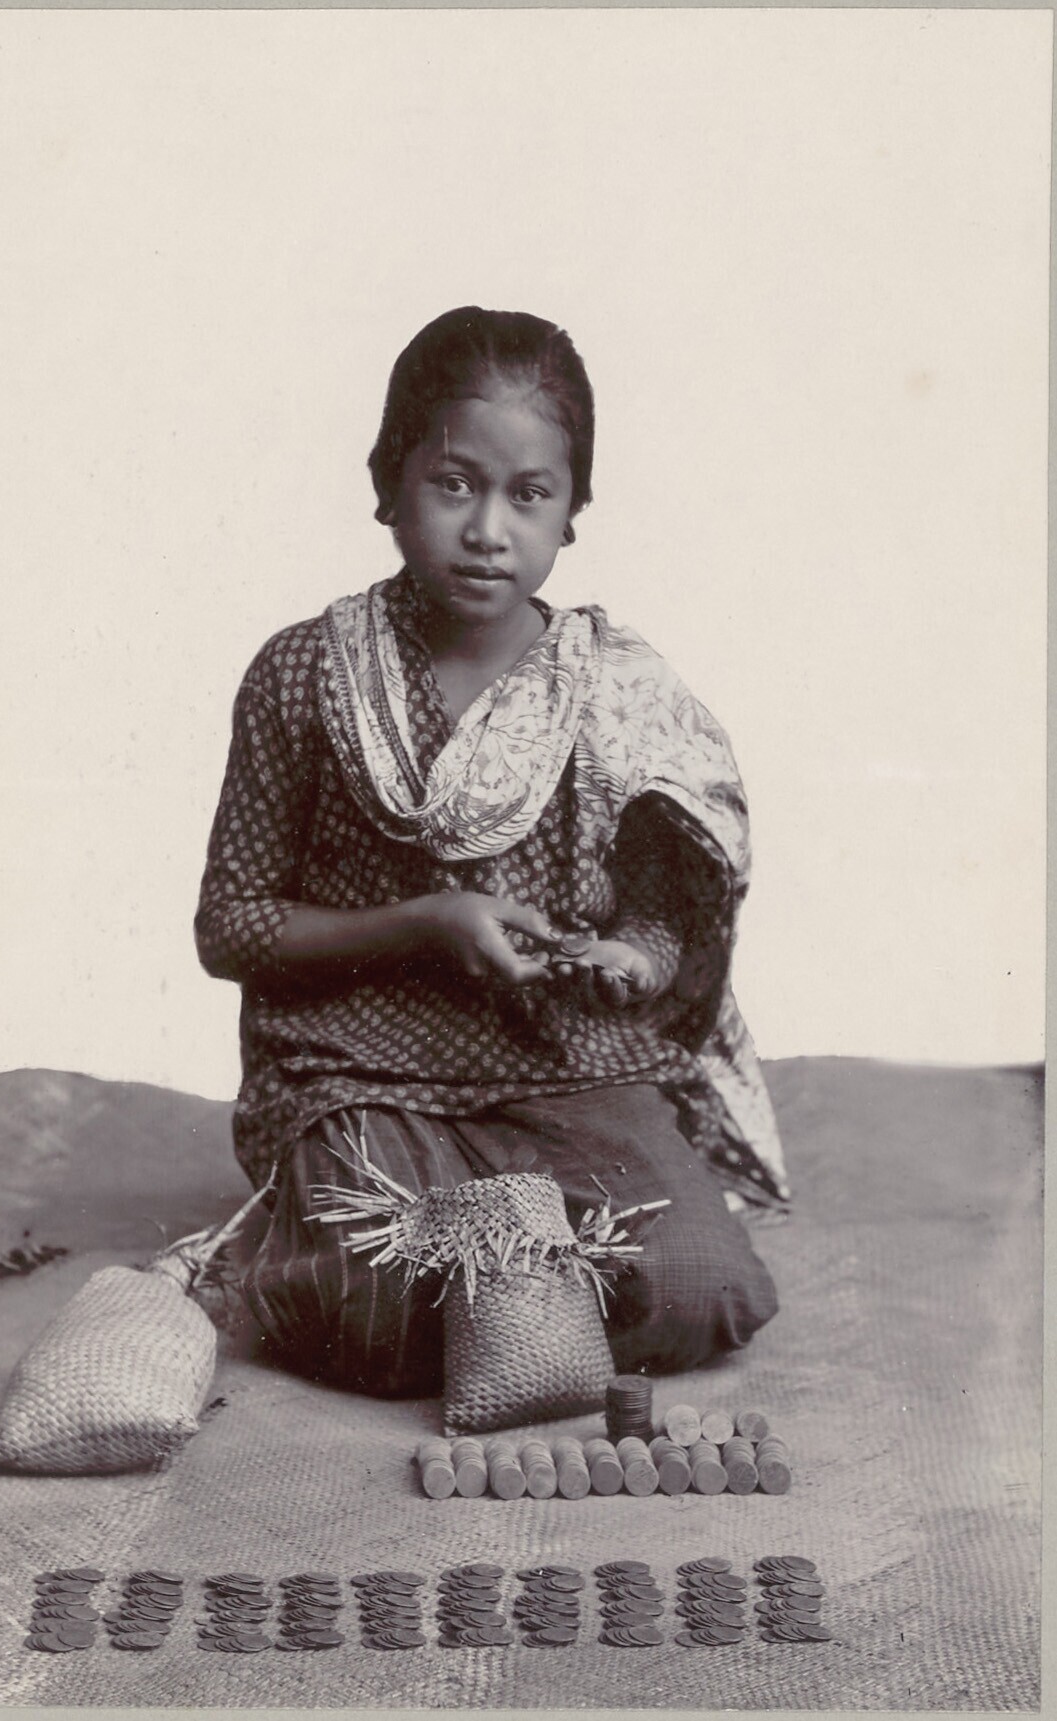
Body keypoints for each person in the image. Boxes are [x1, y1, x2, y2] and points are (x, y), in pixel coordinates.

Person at [195, 306, 785, 1398]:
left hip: (564, 1066)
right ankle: (508, 1292)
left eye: (529, 494)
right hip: (357, 1070)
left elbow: (663, 913)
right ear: (387, 484)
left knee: (699, 1288)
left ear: (571, 514)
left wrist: (631, 961)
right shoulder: (304, 675)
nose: (486, 529)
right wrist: (425, 921)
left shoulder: (616, 693)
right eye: (453, 484)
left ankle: (512, 1292)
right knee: (369, 1303)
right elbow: (231, 927)